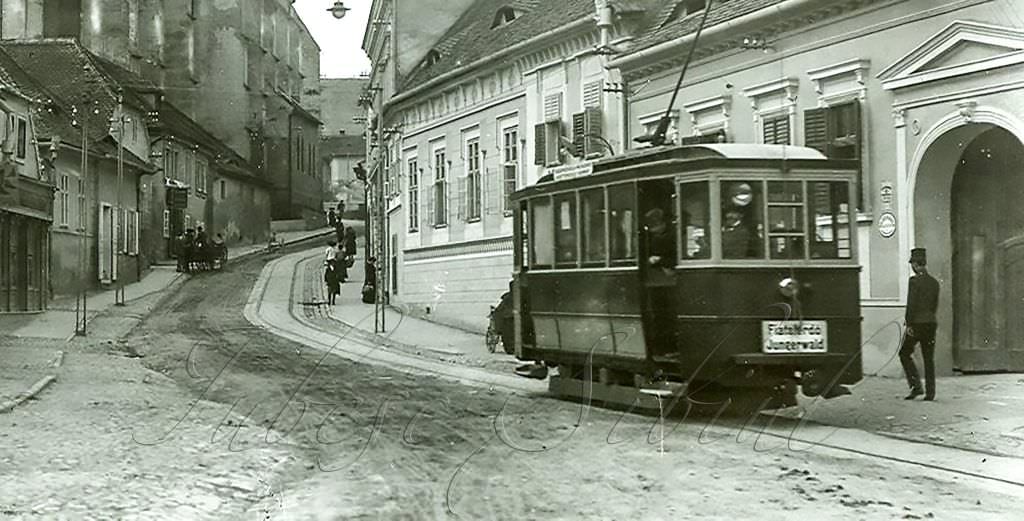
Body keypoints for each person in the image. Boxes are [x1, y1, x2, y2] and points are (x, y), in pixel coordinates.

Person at [899, 248, 940, 401]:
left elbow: (912, 304)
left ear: (915, 264)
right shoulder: (935, 282)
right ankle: (930, 393)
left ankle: (916, 387)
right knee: (929, 358)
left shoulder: (914, 281)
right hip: (930, 323)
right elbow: (934, 305)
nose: (912, 266)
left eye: (912, 263)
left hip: (916, 324)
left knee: (904, 353)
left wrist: (908, 323)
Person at [642, 208, 677, 360]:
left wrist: (659, 261)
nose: (654, 229)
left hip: (664, 281)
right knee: (660, 316)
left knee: (665, 316)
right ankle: (661, 348)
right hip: (658, 281)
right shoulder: (652, 239)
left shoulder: (669, 237)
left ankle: (665, 348)